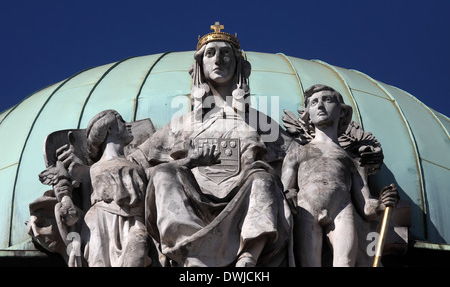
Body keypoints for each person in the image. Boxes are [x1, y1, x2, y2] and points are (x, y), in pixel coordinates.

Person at [129, 23, 293, 267]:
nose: (219, 60)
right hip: (193, 197)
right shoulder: (181, 124)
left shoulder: (259, 122)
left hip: (243, 194)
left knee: (263, 178)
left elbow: (298, 154)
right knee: (164, 173)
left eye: (226, 53)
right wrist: (190, 161)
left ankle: (248, 254)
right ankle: (191, 251)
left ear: (238, 63)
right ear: (200, 65)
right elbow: (135, 164)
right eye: (210, 53)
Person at [281, 84, 398, 267]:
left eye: (327, 100)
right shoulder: (296, 154)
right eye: (313, 103)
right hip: (306, 208)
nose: (320, 106)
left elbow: (367, 207)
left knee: (345, 263)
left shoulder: (353, 161)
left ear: (342, 112)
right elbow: (285, 193)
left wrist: (383, 203)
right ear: (307, 115)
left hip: (343, 208)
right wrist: (289, 195)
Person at [82, 109, 151, 267]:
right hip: (101, 221)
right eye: (121, 121)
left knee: (138, 249)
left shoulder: (137, 165)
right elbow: (86, 204)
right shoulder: (93, 170)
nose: (127, 125)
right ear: (110, 128)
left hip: (135, 220)